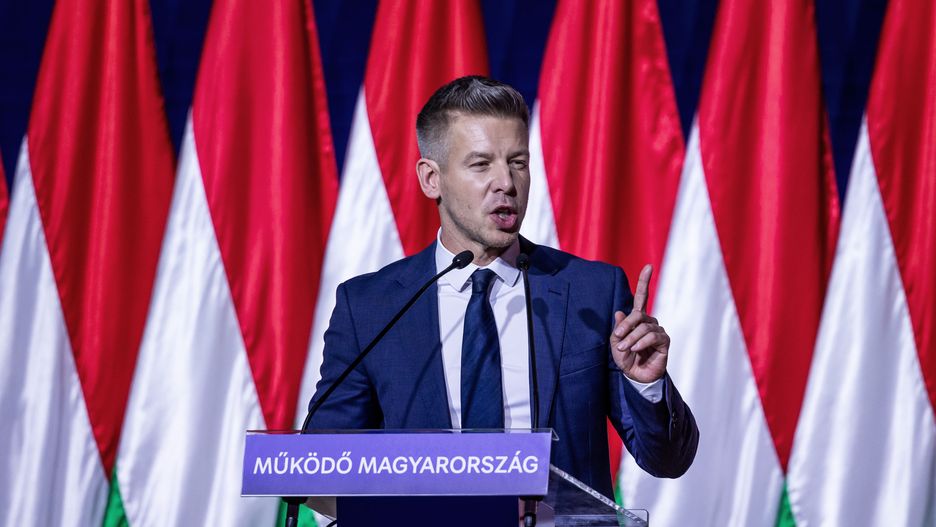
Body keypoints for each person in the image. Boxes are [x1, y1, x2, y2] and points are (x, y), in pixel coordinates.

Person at [305, 76, 698, 499]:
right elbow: (322, 467)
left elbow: (668, 460)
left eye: (518, 162)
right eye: (481, 165)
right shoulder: (371, 308)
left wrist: (646, 385)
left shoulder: (592, 294)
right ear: (431, 178)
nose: (506, 183)